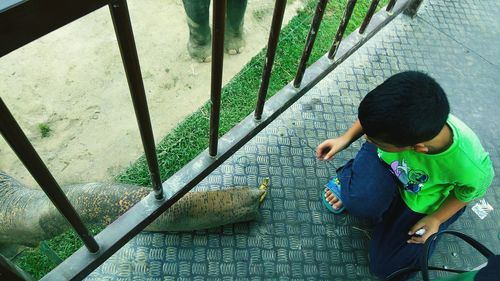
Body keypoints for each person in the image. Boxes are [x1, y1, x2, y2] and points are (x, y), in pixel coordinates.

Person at [315, 71, 494, 279]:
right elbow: (373, 121)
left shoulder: (471, 166)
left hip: (423, 198)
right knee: (359, 202)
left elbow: (466, 194)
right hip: (389, 163)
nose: (367, 139)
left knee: (388, 268)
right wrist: (345, 138)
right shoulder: (402, 118)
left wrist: (436, 219)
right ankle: (353, 175)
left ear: (416, 148)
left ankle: (430, 221)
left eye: (374, 140)